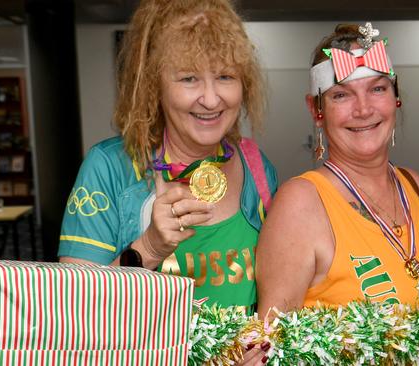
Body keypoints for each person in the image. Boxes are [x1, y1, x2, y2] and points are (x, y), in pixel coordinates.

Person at [59, 0, 276, 326]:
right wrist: (149, 247)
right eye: (189, 78)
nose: (211, 99)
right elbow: (70, 310)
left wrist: (262, 342)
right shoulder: (109, 168)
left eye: (225, 76)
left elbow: (274, 295)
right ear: (153, 85)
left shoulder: (256, 164)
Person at [256, 23, 419, 316]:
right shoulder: (301, 203)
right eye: (341, 95)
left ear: (396, 99)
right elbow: (271, 341)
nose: (363, 109)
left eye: (377, 89)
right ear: (316, 110)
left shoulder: (414, 186)